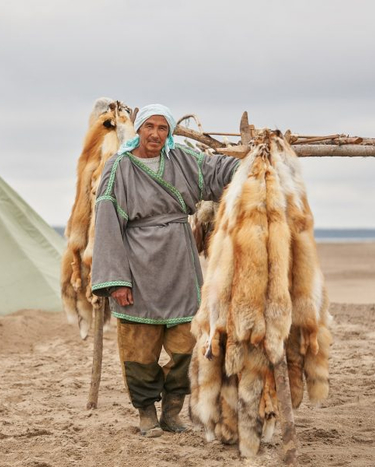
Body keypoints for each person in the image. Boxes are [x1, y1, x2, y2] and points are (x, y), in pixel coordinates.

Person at [90, 104, 239, 437]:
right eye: (149, 127)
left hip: (179, 263)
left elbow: (215, 170)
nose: (155, 134)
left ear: (168, 132)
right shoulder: (119, 167)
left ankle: (172, 413)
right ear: (139, 130)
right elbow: (108, 224)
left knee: (187, 347)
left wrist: (251, 162)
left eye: (162, 128)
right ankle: (146, 415)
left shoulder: (181, 160)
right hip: (138, 264)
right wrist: (117, 281)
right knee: (139, 349)